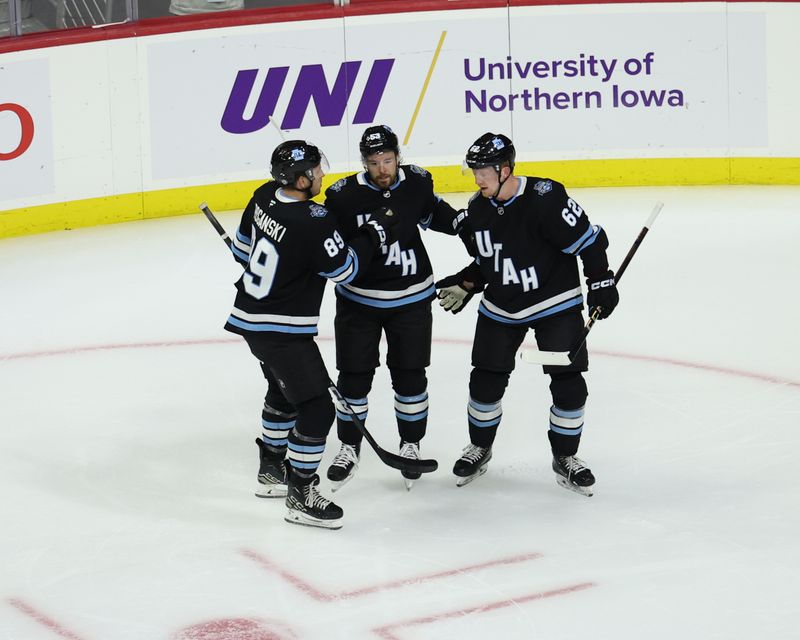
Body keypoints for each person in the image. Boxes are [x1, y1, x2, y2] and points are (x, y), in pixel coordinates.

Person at [224, 139, 397, 529]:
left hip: (251, 319)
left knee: (283, 394)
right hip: (280, 329)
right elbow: (345, 270)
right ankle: (301, 493)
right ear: (300, 179)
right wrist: (374, 233)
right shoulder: (313, 220)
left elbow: (242, 250)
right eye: (315, 170)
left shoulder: (264, 195)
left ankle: (272, 469)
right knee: (316, 408)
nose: (322, 174)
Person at [435, 133, 619, 496]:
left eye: (483, 171)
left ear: (504, 169)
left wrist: (600, 281)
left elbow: (591, 240)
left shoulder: (546, 199)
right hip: (502, 307)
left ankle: (566, 457)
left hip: (555, 302)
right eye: (474, 171)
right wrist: (469, 282)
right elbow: (492, 261)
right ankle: (480, 447)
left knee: (569, 385)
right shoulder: (479, 208)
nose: (477, 178)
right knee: (484, 383)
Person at [322, 125, 463, 491]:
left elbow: (437, 216)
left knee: (410, 377)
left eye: (387, 160)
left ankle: (411, 444)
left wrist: (471, 221)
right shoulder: (342, 196)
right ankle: (349, 446)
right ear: (363, 163)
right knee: (353, 378)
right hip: (358, 302)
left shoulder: (416, 183)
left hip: (413, 300)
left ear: (399, 157)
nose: (382, 169)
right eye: (374, 163)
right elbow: (325, 245)